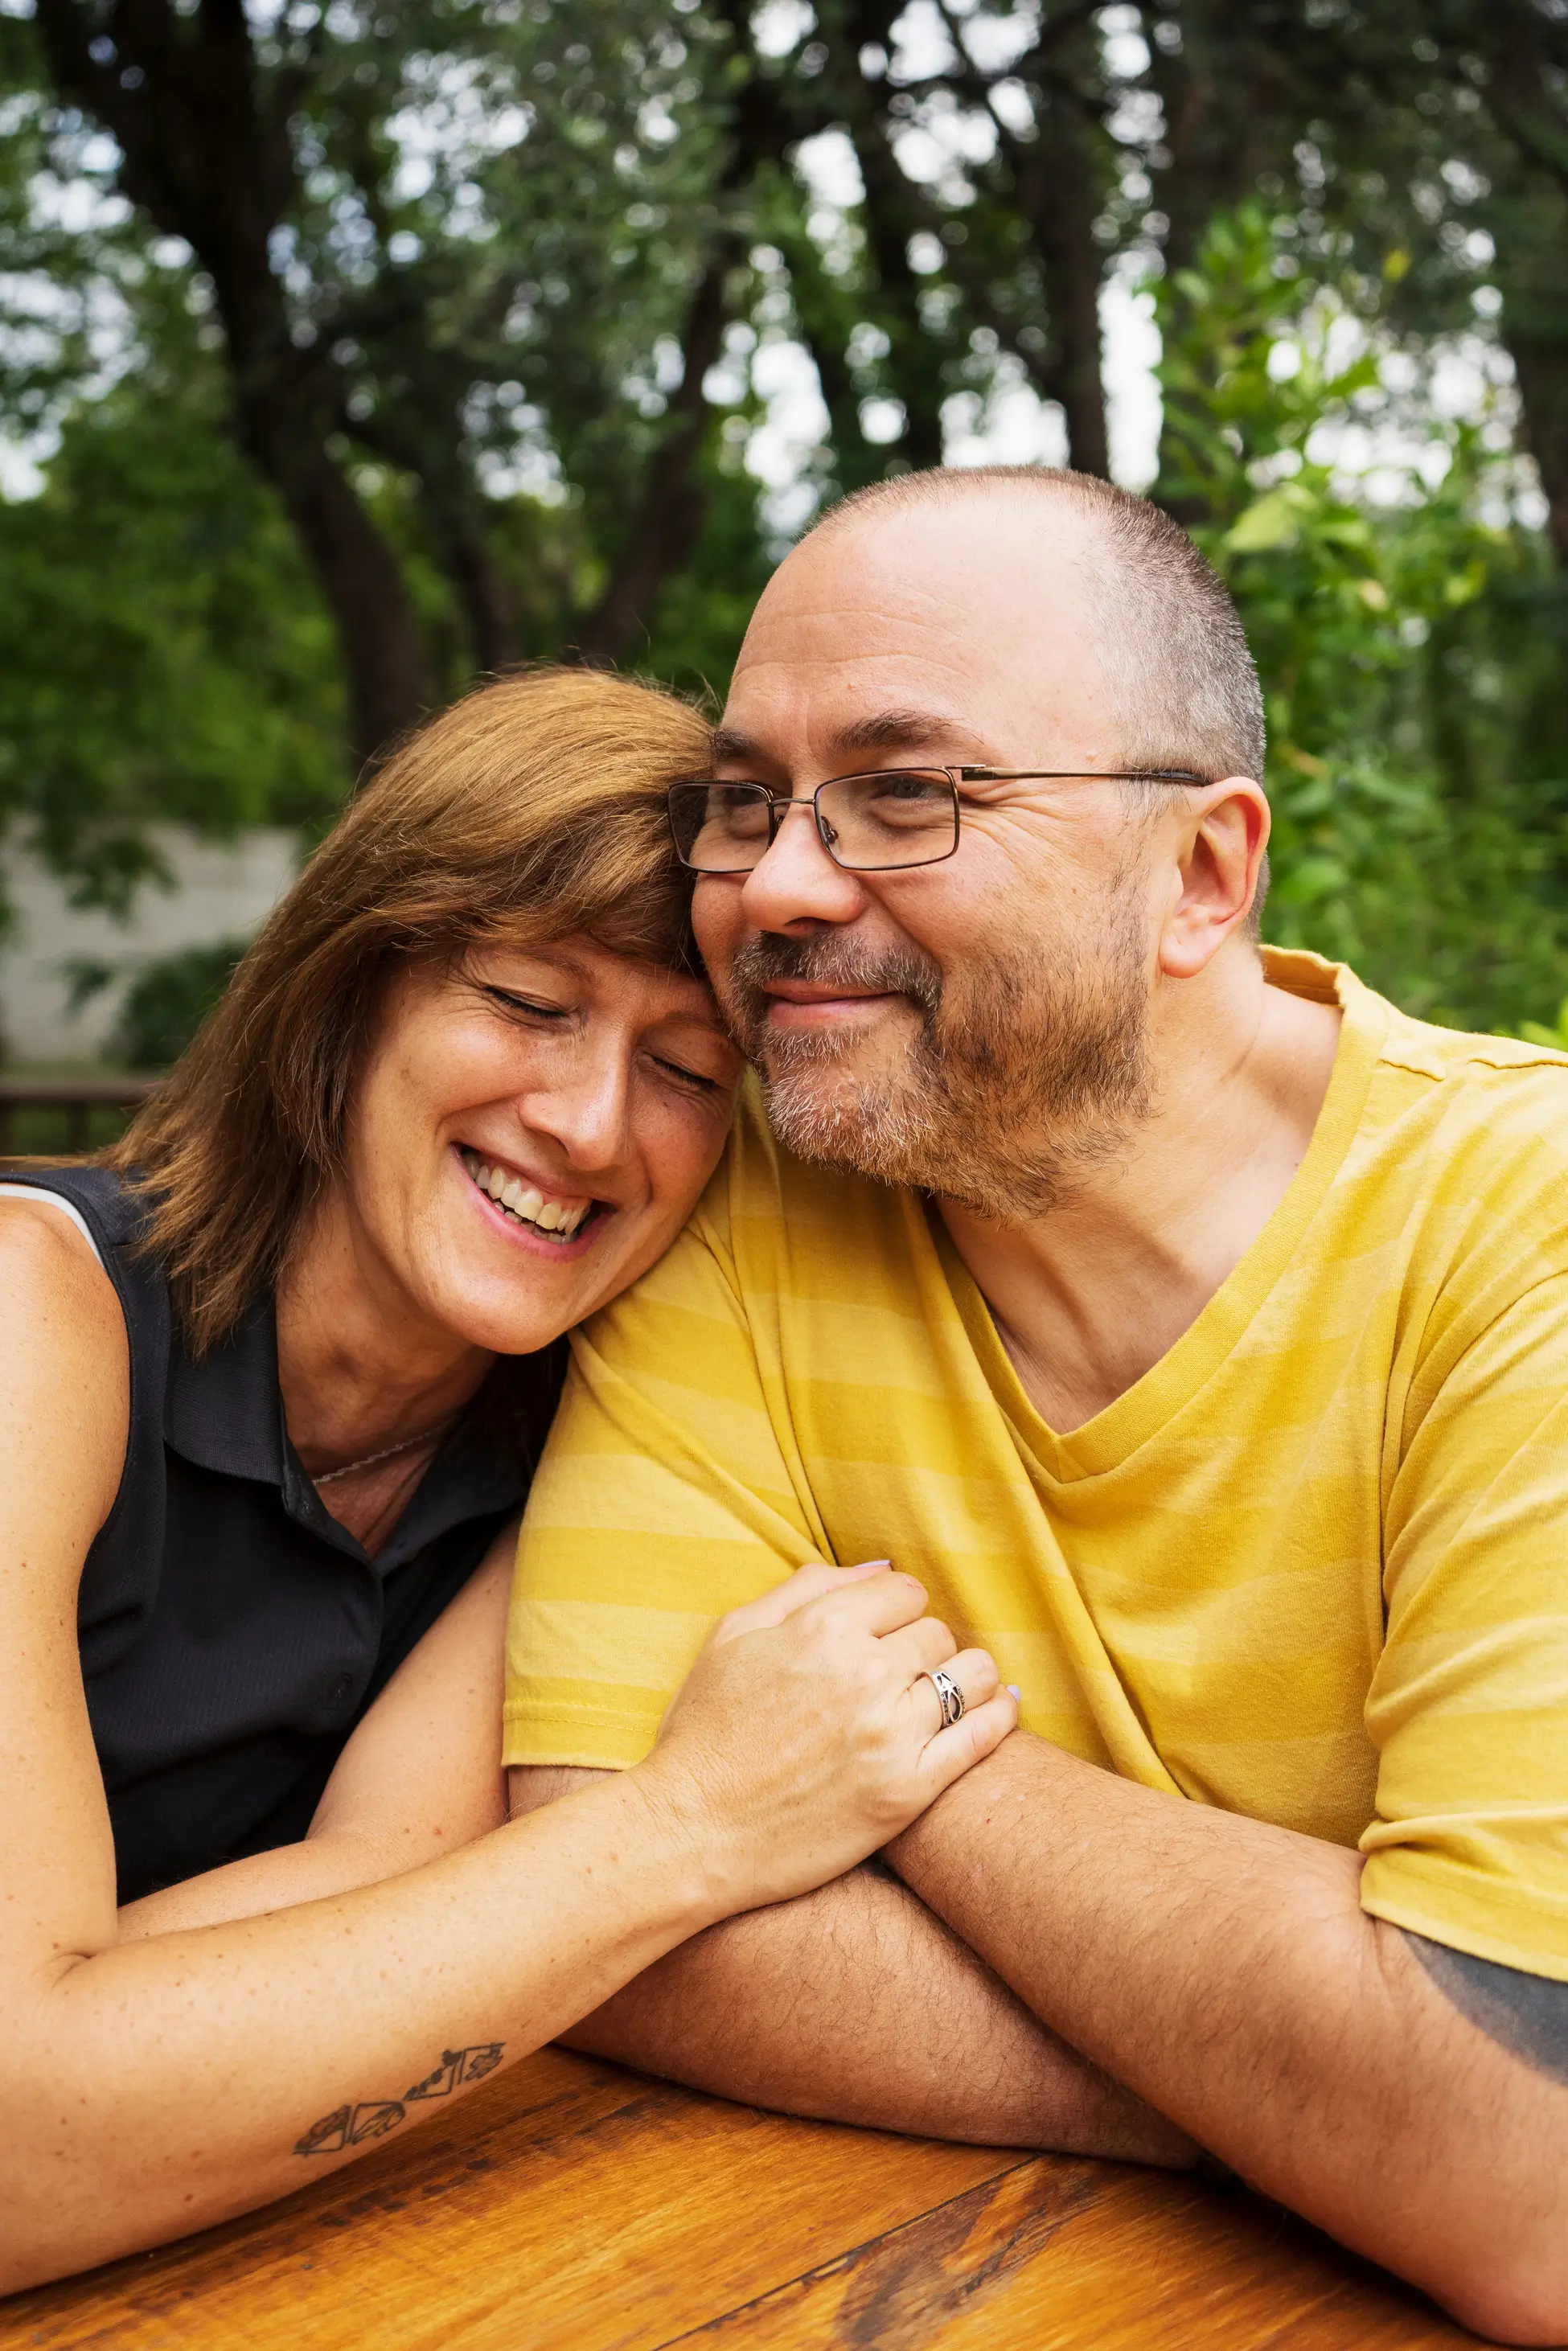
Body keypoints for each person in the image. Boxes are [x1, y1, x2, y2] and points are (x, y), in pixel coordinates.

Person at [502, 475, 1568, 2345]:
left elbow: (1532, 2187)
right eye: (746, 801)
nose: (780, 883)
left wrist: (895, 1756)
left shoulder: (1527, 1227)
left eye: (910, 796)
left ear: (1203, 876)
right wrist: (1336, 2095)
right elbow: (601, 1881)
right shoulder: (737, 1201)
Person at [0, 664, 1015, 2294]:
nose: (589, 1123)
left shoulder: (582, 1425)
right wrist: (691, 1823)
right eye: (529, 1005)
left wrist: (88, 2029)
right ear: (349, 997)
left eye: (688, 1072)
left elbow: (396, 1898)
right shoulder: (33, 1323)